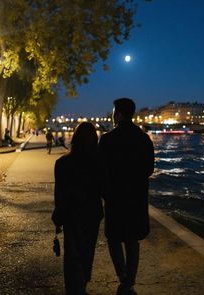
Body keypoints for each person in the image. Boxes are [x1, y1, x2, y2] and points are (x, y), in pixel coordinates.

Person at [98, 98, 154, 295]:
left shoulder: (106, 140)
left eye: (114, 111)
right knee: (132, 240)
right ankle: (130, 280)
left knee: (113, 237)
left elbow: (101, 171)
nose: (113, 115)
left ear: (119, 114)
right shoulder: (144, 139)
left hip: (114, 198)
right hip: (136, 199)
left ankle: (121, 273)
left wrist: (106, 193)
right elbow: (149, 169)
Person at [52, 122, 104, 295]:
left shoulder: (62, 163)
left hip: (70, 213)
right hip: (92, 213)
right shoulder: (98, 163)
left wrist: (58, 217)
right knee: (87, 249)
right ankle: (82, 282)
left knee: (72, 251)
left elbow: (59, 193)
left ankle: (73, 287)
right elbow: (104, 190)